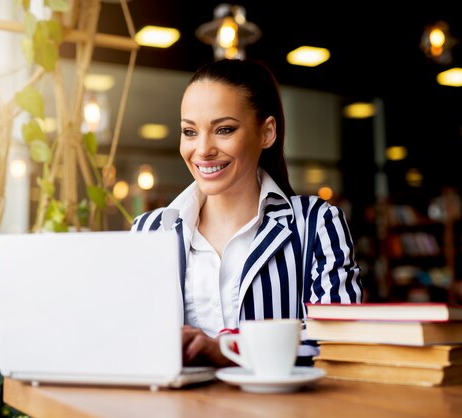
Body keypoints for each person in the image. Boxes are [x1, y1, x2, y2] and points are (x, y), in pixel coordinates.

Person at [131, 58, 362, 367]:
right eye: (189, 131)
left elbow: (340, 342)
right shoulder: (149, 231)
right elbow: (130, 339)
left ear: (266, 132)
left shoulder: (315, 223)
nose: (202, 149)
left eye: (223, 129)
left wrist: (229, 350)